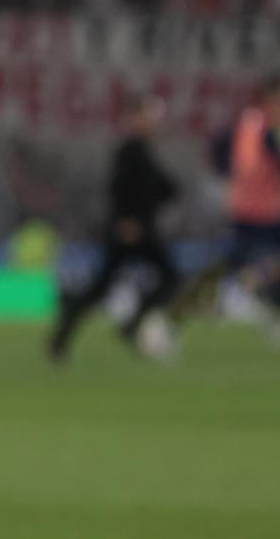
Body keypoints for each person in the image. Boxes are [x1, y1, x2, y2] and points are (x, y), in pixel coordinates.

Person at [174, 75, 280, 331]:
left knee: (240, 259)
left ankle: (237, 297)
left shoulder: (247, 121)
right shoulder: (270, 126)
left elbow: (218, 147)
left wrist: (229, 174)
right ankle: (262, 301)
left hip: (248, 206)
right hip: (263, 210)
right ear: (271, 97)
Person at [47, 97, 181, 363]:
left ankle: (115, 326)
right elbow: (119, 190)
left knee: (109, 287)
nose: (152, 122)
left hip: (140, 230)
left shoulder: (143, 151)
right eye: (145, 116)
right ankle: (121, 326)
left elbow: (165, 189)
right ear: (134, 119)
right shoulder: (130, 151)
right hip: (129, 231)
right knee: (164, 279)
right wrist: (127, 220)